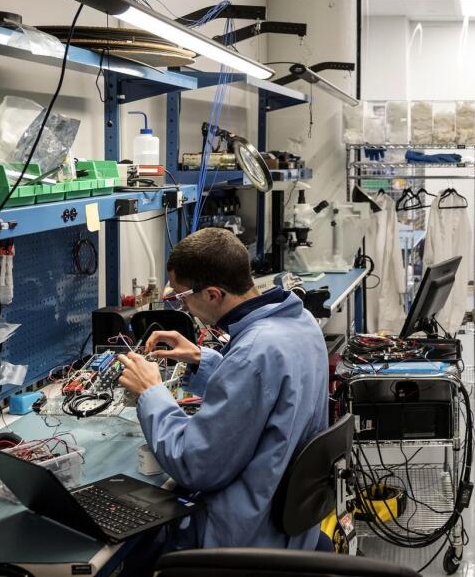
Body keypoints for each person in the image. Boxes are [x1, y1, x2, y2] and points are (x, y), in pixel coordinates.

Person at [116, 228, 328, 551]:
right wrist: (204, 362)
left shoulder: (253, 353)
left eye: (181, 297)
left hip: (246, 538)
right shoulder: (301, 322)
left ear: (213, 295)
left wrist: (151, 392)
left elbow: (194, 464)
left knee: (134, 545)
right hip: (293, 528)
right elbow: (266, 392)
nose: (182, 308)